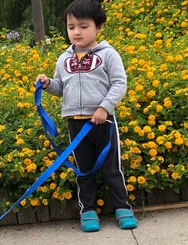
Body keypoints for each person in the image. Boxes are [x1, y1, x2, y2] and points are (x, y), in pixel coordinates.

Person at [36, 0, 137, 232]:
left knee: (112, 168)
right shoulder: (63, 59)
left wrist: (104, 108)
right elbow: (61, 88)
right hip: (76, 123)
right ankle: (88, 211)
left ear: (99, 27)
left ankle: (123, 208)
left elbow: (119, 83)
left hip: (104, 122)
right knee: (84, 170)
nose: (76, 32)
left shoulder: (109, 55)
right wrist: (48, 84)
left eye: (83, 26)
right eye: (71, 27)